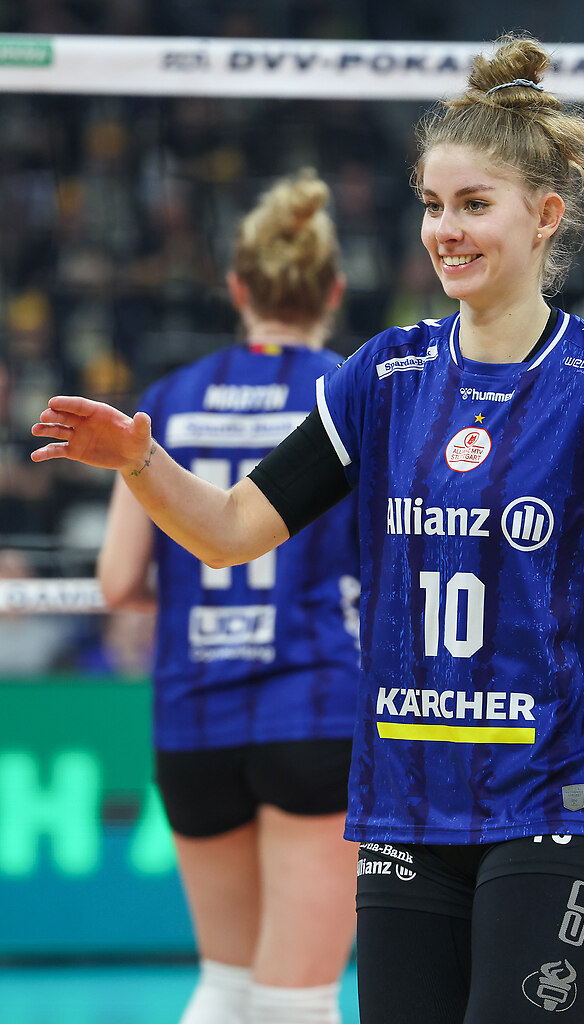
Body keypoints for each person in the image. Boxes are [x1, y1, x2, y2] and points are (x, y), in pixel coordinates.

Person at [32, 34, 584, 1024]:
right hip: (403, 809)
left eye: (473, 204)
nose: (445, 230)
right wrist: (139, 464)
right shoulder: (384, 375)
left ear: (545, 216)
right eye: (432, 204)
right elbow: (232, 530)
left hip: (553, 801)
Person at [94, 169, 361, 1024]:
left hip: (195, 711)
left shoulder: (167, 402)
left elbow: (116, 582)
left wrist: (194, 593)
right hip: (313, 703)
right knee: (296, 1000)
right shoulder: (353, 390)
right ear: (333, 291)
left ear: (238, 289)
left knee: (227, 985)